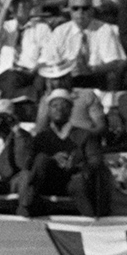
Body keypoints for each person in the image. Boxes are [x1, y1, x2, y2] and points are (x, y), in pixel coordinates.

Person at [22, 89, 104, 217]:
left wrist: (78, 162)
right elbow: (28, 163)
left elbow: (95, 161)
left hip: (73, 180)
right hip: (47, 182)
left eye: (64, 106)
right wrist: (52, 159)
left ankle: (91, 220)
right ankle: (28, 207)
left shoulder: (84, 135)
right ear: (48, 110)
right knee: (41, 159)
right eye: (54, 106)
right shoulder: (41, 137)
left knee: (79, 181)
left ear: (71, 110)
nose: (59, 109)